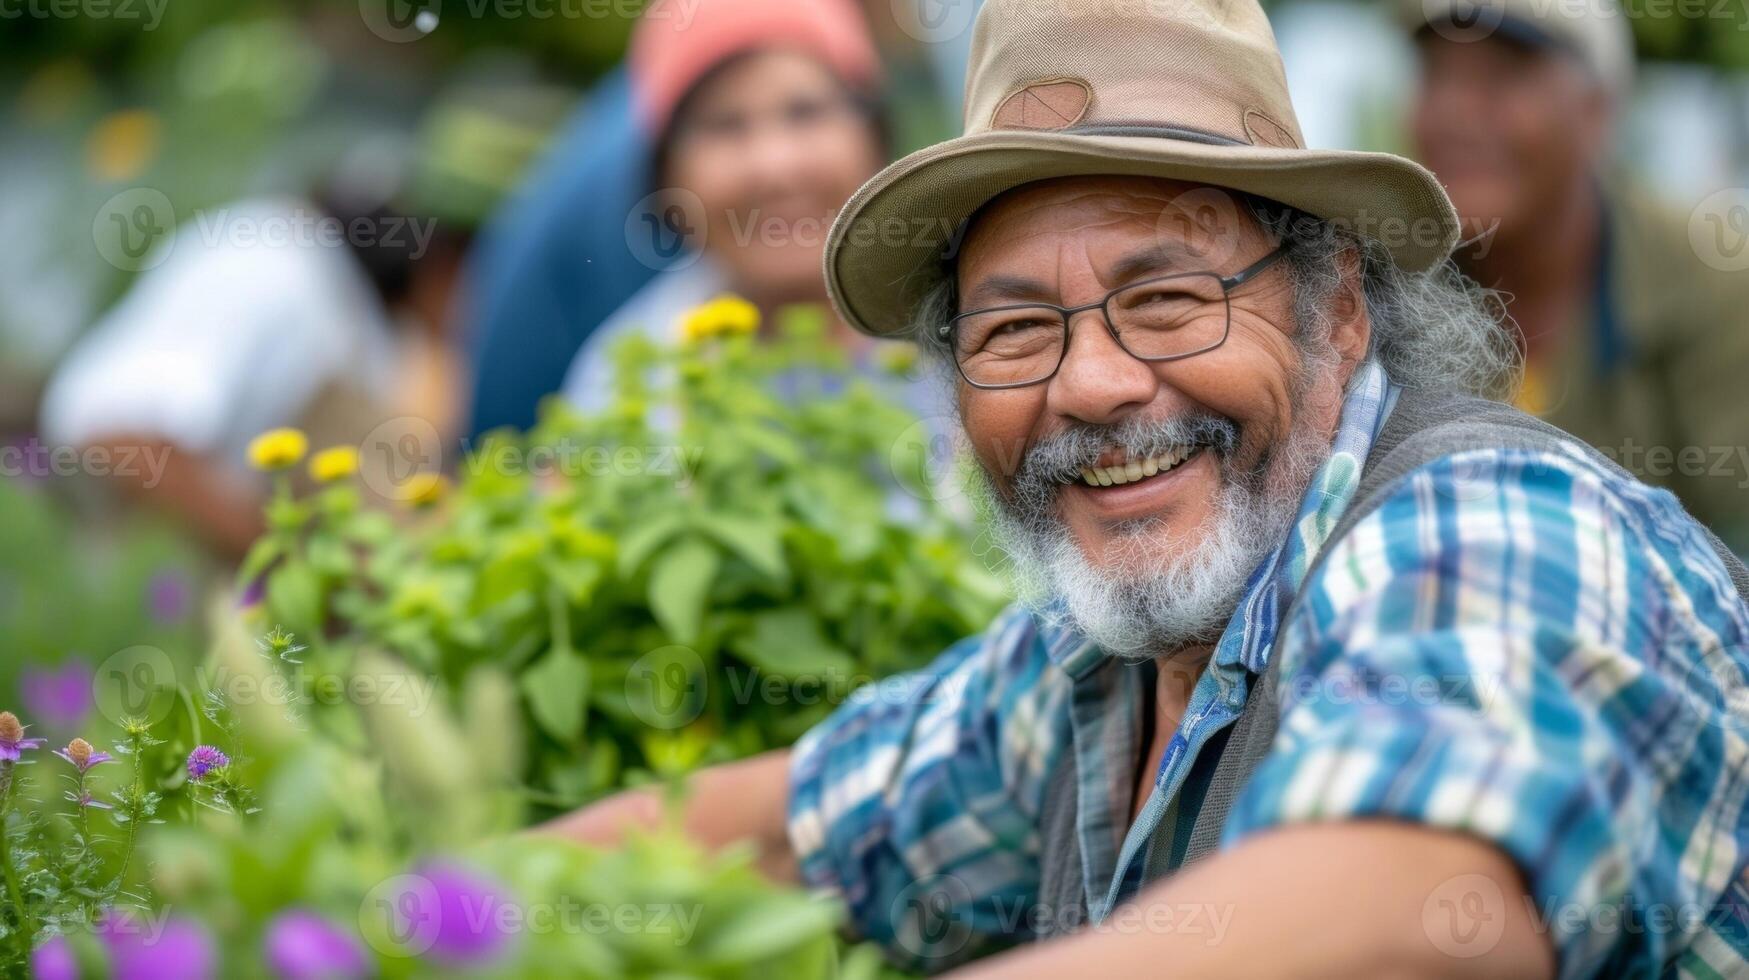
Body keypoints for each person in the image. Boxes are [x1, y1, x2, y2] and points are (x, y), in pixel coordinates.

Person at [547, 1, 1749, 977]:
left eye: (1168, 299)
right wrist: (427, 912)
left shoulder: (1493, 521)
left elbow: (1427, 884)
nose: (1094, 383)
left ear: (1335, 306)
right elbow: (794, 828)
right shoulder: (1095, 668)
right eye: (1014, 328)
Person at [1405, 0, 1749, 555]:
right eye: (1436, 75)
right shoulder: (1387, 283)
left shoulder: (1715, 292)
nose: (1455, 114)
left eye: (1502, 79)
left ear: (1596, 111)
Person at [557, 0, 917, 412]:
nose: (775, 166)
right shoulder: (628, 384)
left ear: (875, 136)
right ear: (666, 181)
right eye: (724, 125)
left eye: (805, 112)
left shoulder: (966, 328)